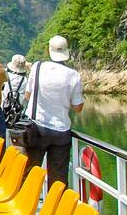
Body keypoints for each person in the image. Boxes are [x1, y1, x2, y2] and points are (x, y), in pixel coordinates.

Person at [24, 35, 84, 187]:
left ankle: (25, 205)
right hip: (61, 131)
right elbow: (78, 108)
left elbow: (27, 95)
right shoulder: (73, 75)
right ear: (66, 52)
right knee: (58, 178)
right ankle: (56, 207)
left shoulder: (37, 67)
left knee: (30, 172)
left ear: (48, 50)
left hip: (36, 129)